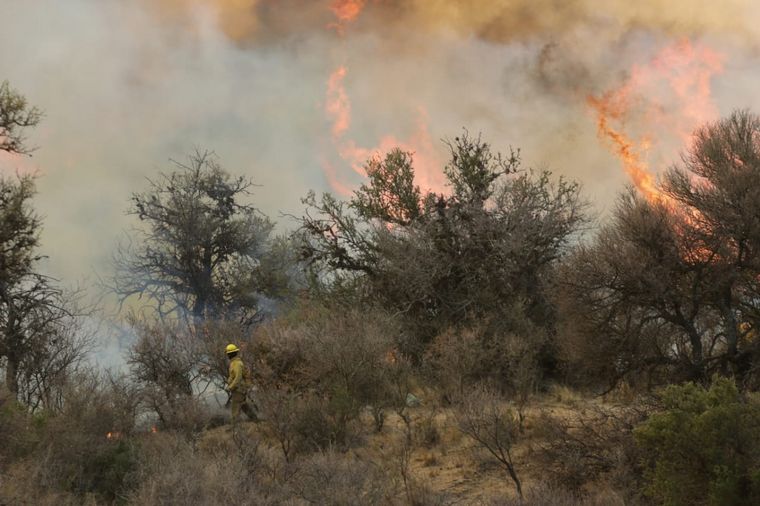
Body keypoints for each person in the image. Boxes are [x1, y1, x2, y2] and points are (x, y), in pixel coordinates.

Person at [225, 343, 258, 424]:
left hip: (239, 388)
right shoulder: (234, 363)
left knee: (235, 407)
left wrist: (230, 387)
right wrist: (229, 382)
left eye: (228, 354)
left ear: (230, 354)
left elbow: (238, 378)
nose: (227, 355)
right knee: (243, 405)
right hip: (239, 388)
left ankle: (234, 426)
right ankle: (255, 419)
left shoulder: (237, 364)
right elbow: (233, 376)